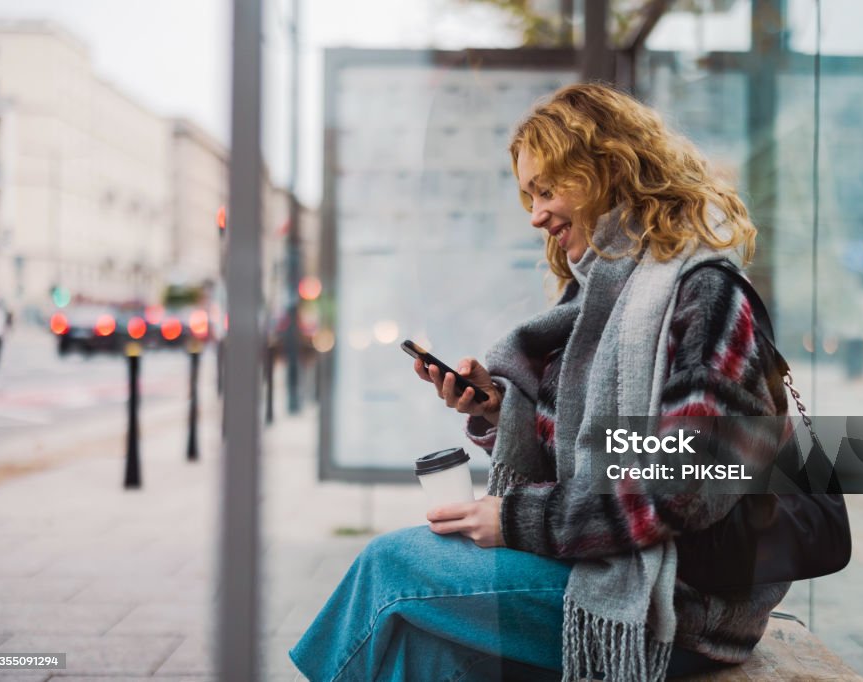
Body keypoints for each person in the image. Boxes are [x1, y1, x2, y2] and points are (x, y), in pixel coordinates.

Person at [290, 83, 791, 682]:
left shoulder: (703, 295)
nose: (535, 214)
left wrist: (515, 519)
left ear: (608, 170)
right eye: (529, 195)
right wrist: (504, 411)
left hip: (683, 602)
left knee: (391, 565)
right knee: (429, 648)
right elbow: (596, 447)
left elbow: (683, 484)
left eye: (548, 190)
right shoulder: (602, 298)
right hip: (619, 566)